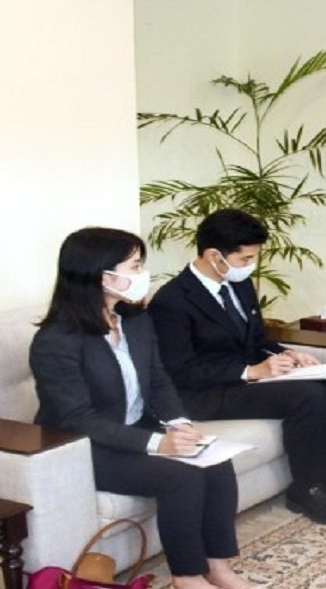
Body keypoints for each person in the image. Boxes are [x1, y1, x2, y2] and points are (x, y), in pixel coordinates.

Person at [30, 228, 255, 589]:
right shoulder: (56, 340)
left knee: (215, 461)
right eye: (134, 266)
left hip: (136, 428)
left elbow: (158, 379)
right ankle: (187, 577)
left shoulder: (134, 320)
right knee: (181, 476)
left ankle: (217, 566)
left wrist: (178, 423)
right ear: (102, 276)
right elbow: (77, 419)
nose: (142, 274)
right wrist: (157, 443)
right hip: (83, 447)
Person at [148, 209, 326, 526]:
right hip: (205, 393)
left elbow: (257, 338)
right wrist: (252, 372)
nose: (251, 265)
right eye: (246, 258)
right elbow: (180, 371)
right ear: (214, 256)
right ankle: (306, 490)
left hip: (246, 378)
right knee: (308, 396)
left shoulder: (239, 284)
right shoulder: (172, 301)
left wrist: (287, 353)